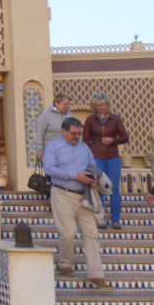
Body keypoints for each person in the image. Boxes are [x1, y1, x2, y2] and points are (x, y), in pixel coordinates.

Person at [44, 117, 110, 288]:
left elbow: (92, 165)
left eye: (78, 133)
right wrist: (75, 175)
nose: (76, 136)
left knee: (92, 233)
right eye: (73, 133)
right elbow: (49, 169)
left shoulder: (84, 147)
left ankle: (95, 274)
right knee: (68, 232)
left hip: (84, 196)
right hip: (62, 194)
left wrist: (93, 175)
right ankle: (65, 263)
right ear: (63, 132)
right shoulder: (53, 146)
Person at [83, 93, 128, 230]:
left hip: (113, 158)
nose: (102, 107)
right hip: (96, 158)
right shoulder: (90, 120)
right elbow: (85, 141)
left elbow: (125, 137)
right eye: (99, 105)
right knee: (99, 188)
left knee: (113, 189)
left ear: (108, 105)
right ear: (94, 106)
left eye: (104, 104)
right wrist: (88, 157)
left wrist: (112, 140)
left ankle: (116, 220)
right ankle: (100, 219)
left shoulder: (115, 119)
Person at [34, 92, 72, 162]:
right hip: (51, 153)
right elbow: (39, 133)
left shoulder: (70, 115)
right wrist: (39, 150)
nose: (67, 106)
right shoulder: (46, 115)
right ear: (57, 103)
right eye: (65, 104)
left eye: (68, 104)